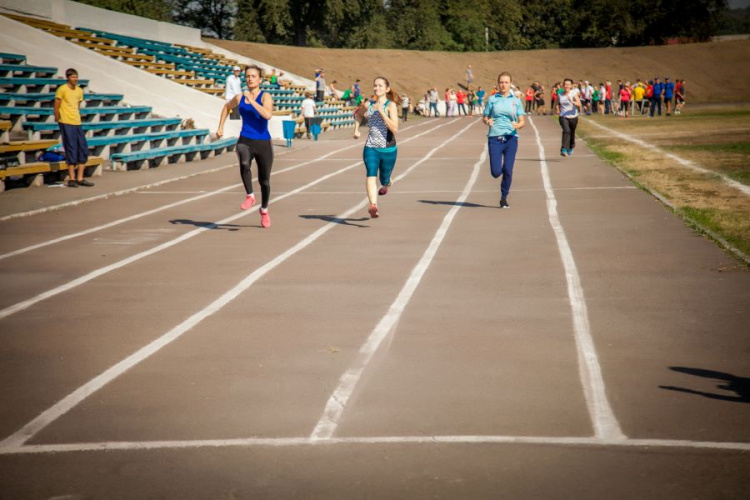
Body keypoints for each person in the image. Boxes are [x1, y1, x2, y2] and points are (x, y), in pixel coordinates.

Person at [217, 65, 274, 228]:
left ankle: (264, 210)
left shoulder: (265, 97)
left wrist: (252, 102)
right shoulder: (239, 96)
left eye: (253, 76)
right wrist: (220, 126)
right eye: (247, 76)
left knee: (264, 181)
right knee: (243, 162)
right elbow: (226, 107)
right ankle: (250, 195)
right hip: (245, 139)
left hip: (263, 142)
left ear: (260, 79)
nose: (250, 79)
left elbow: (268, 115)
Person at [352, 77, 400, 219]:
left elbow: (395, 128)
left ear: (387, 89)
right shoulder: (368, 104)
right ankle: (373, 205)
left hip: (388, 149)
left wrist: (382, 112)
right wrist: (356, 129)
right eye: (375, 85)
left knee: (384, 179)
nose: (377, 88)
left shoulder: (390, 105)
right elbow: (358, 115)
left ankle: (387, 184)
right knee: (371, 174)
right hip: (371, 147)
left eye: (380, 86)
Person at [482, 71, 525, 209]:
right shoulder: (492, 99)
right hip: (495, 137)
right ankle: (499, 177)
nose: (503, 85)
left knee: (508, 169)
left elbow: (522, 120)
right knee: (496, 172)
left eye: (506, 82)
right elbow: (485, 117)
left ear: (510, 84)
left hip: (511, 138)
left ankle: (504, 197)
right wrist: (487, 121)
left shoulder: (516, 101)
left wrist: (518, 125)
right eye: (501, 82)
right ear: (498, 83)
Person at [55, 68, 93, 188]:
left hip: (77, 122)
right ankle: (72, 179)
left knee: (83, 149)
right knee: (71, 149)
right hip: (66, 122)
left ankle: (80, 178)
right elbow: (56, 106)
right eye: (72, 77)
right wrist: (58, 119)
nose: (75, 79)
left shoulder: (79, 91)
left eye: (76, 77)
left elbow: (77, 106)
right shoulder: (62, 89)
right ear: (67, 78)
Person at [555, 78, 582, 157]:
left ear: (571, 86)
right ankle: (564, 149)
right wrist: (557, 109)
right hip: (563, 116)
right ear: (563, 85)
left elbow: (579, 104)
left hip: (573, 117)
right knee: (566, 131)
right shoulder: (560, 94)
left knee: (572, 132)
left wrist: (572, 101)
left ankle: (571, 146)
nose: (567, 86)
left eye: (568, 84)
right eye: (565, 84)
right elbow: (556, 103)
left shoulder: (573, 93)